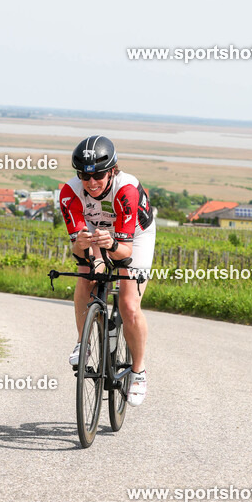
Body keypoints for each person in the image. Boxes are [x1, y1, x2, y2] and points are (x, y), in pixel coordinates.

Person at [59, 135, 155, 406]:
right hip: (96, 233)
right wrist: (91, 255)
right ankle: (83, 341)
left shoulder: (127, 189)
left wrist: (110, 245)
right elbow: (79, 252)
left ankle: (138, 371)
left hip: (133, 236)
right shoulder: (69, 193)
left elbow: (124, 252)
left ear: (112, 170)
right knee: (85, 277)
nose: (91, 182)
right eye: (84, 176)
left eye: (98, 175)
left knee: (128, 304)